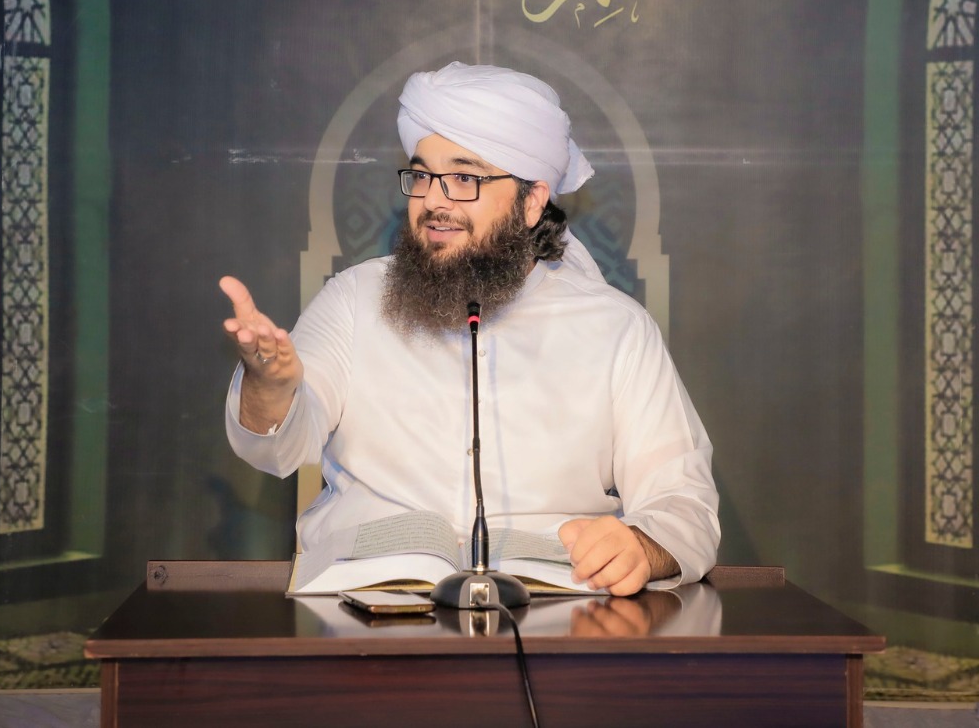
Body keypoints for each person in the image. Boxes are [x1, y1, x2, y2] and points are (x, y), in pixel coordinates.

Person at [223, 61, 719, 595]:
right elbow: (276, 448)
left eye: (465, 178)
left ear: (532, 202)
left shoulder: (617, 328)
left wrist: (640, 547)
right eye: (422, 176)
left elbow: (684, 505)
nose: (434, 201)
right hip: (371, 610)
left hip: (553, 613)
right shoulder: (354, 300)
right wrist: (270, 387)